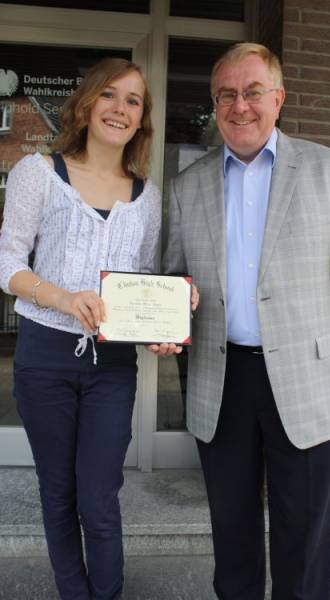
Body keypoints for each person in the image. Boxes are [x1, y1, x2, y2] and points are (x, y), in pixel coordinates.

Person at [150, 43, 330, 600]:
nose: (239, 105)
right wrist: (167, 322)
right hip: (220, 381)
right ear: (214, 104)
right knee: (233, 533)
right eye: (226, 94)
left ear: (278, 98)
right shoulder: (188, 185)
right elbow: (175, 278)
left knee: (305, 536)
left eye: (252, 91)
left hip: (306, 384)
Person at [0, 57, 161, 600]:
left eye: (133, 101)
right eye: (110, 95)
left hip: (111, 367)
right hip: (44, 357)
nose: (120, 108)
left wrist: (163, 327)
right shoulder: (39, 174)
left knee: (99, 494)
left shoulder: (147, 198)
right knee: (58, 491)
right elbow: (7, 263)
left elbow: (141, 287)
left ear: (142, 119)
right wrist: (64, 298)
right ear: (88, 104)